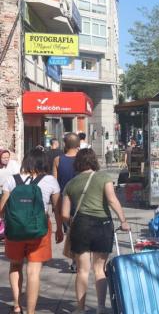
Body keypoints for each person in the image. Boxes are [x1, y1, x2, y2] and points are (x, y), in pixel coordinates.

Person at [61, 149, 130, 314]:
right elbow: (112, 200)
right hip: (102, 225)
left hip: (81, 226)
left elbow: (64, 214)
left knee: (82, 270)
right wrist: (123, 220)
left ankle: (80, 308)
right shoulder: (104, 177)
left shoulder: (71, 184)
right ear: (94, 161)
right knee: (99, 269)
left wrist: (71, 224)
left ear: (77, 163)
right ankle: (100, 307)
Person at [0, 148, 63, 314]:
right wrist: (59, 229)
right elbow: (57, 208)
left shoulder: (11, 180)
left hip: (14, 229)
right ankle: (31, 311)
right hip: (39, 228)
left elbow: (2, 207)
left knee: (15, 265)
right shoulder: (50, 180)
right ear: (44, 163)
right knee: (33, 271)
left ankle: (16, 304)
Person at [53, 133, 81, 272]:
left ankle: (76, 259)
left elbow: (54, 182)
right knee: (78, 230)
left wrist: (55, 204)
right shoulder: (82, 160)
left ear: (64, 144)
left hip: (64, 200)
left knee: (70, 230)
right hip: (81, 199)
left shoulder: (58, 160)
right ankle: (77, 259)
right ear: (78, 145)